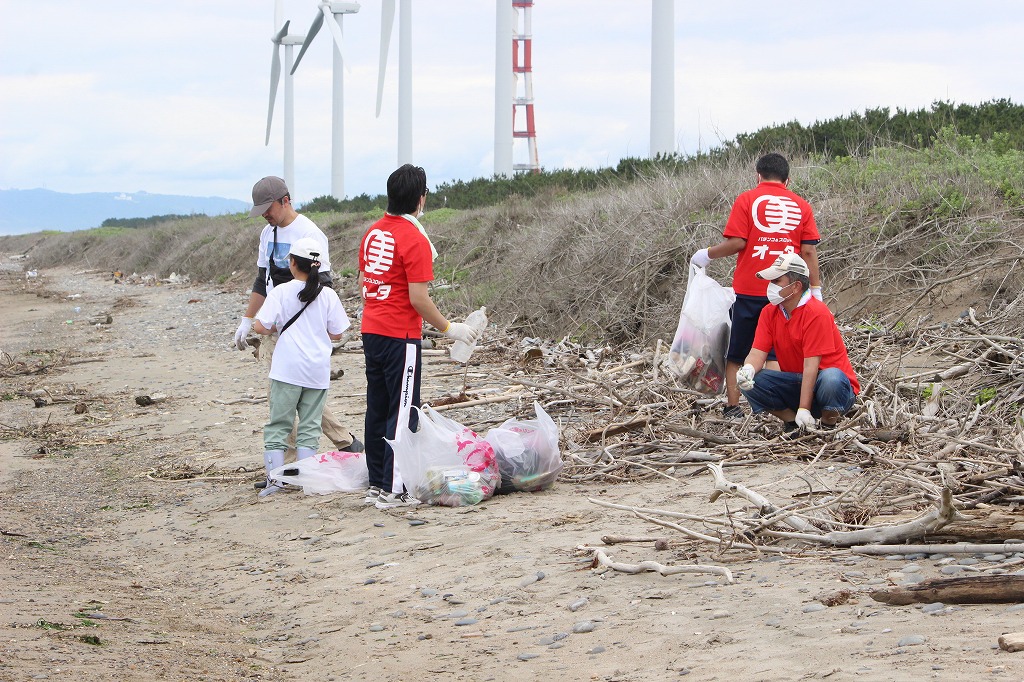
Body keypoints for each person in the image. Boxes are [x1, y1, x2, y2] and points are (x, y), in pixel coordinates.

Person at [358, 164, 481, 509]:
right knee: (402, 410)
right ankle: (395, 488)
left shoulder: (373, 232)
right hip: (399, 335)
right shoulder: (414, 238)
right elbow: (418, 298)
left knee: (377, 407)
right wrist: (449, 328)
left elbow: (365, 283)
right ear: (420, 198)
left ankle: (377, 483)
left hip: (372, 331)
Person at [233, 176, 360, 462]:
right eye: (261, 210)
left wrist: (308, 325)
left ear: (286, 200)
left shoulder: (310, 234)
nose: (266, 215)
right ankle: (344, 443)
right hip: (274, 324)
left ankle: (289, 465)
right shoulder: (267, 234)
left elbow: (322, 284)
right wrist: (247, 318)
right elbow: (260, 280)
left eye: (269, 208)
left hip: (296, 326)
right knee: (293, 391)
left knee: (285, 393)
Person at [690, 153, 822, 420]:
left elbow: (738, 242)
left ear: (758, 175)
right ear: (788, 179)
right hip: (787, 291)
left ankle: (733, 407)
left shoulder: (747, 200)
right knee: (777, 350)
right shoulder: (801, 206)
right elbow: (808, 251)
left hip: (750, 288)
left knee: (738, 351)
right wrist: (815, 289)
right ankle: (775, 407)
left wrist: (706, 254)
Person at [251, 238, 351, 496]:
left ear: (293, 263)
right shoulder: (327, 294)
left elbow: (260, 326)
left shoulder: (281, 292)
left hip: (286, 369)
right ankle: (307, 481)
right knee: (310, 426)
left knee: (278, 426)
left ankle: (275, 480)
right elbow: (338, 333)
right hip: (317, 370)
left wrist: (276, 327)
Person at [735, 252, 858, 435]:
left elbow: (811, 365)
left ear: (796, 286)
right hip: (797, 381)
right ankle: (792, 422)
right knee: (754, 381)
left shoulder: (817, 312)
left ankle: (827, 424)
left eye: (777, 281)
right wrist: (748, 369)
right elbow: (758, 352)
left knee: (831, 378)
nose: (771, 286)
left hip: (830, 385)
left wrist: (804, 408)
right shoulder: (769, 312)